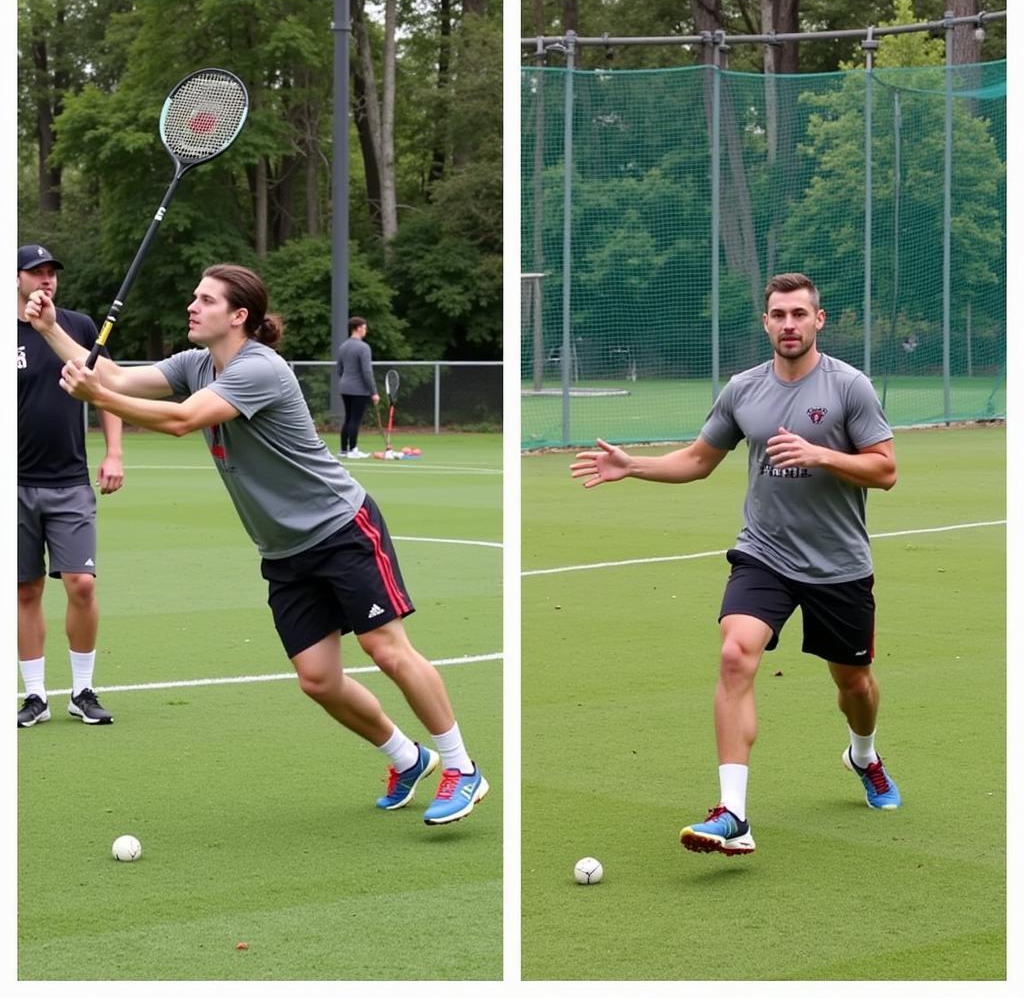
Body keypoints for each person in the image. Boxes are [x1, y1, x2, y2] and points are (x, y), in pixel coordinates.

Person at [23, 264, 488, 825]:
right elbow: (118, 377)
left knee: (386, 649)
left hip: (341, 528)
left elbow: (180, 421)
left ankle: (463, 768)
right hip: (283, 550)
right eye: (194, 297)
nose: (192, 307)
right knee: (318, 679)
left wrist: (96, 393)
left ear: (238, 316)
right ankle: (408, 757)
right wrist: (51, 328)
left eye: (206, 300)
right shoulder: (196, 364)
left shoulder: (258, 368)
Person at [570, 272, 901, 856]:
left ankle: (864, 755)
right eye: (779, 314)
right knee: (734, 653)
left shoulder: (851, 387)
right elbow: (699, 460)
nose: (789, 324)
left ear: (818, 320)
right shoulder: (743, 389)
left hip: (838, 564)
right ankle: (734, 813)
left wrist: (820, 454)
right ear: (766, 322)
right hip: (764, 553)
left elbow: (886, 470)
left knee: (855, 684)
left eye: (800, 314)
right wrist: (634, 466)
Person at [17, 244, 124, 728]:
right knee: (25, 590)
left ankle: (82, 690)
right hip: (14, 485)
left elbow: (110, 390)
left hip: (69, 482)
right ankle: (35, 695)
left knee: (81, 584)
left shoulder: (77, 327)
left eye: (51, 272)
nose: (45, 279)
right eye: (35, 272)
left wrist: (115, 452)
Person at [336, 316, 379, 459]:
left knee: (348, 418)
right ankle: (353, 449)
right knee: (355, 419)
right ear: (359, 328)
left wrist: (345, 380)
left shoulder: (343, 346)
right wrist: (374, 392)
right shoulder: (363, 347)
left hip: (344, 387)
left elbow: (339, 369)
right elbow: (367, 371)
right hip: (358, 389)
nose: (366, 331)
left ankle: (343, 450)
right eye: (365, 328)